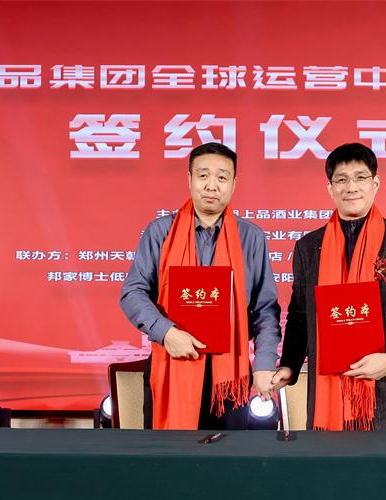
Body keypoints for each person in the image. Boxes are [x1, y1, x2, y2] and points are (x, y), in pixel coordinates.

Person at [272, 143, 386, 430]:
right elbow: (300, 315)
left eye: (360, 178)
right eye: (341, 179)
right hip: (330, 394)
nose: (351, 187)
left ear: (375, 183)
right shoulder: (308, 247)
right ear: (330, 188)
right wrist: (289, 363)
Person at [120, 142, 281, 430]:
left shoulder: (251, 237)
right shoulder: (160, 232)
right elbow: (133, 292)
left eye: (222, 177)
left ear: (234, 184)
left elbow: (265, 309)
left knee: (227, 456)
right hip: (172, 363)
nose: (211, 185)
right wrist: (167, 332)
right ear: (190, 179)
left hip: (230, 377)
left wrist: (265, 363)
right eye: (203, 175)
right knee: (169, 454)